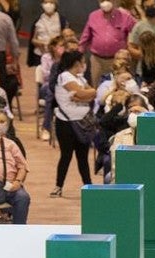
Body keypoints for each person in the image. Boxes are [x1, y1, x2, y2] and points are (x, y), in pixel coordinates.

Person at [51, 50, 96, 198]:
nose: (84, 64)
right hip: (66, 124)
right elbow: (83, 94)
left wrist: (85, 93)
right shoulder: (64, 76)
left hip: (82, 123)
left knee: (83, 157)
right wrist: (84, 94)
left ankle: (88, 185)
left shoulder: (80, 78)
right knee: (66, 155)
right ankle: (58, 186)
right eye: (83, 61)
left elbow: (90, 94)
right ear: (77, 63)